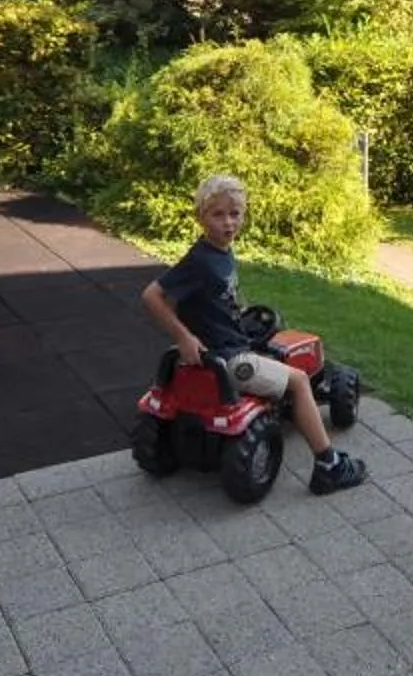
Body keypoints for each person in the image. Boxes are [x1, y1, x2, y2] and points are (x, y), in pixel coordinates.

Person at [141, 173, 368, 493]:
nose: (228, 223)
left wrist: (238, 312)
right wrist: (183, 336)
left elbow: (221, 298)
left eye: (235, 214)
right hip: (231, 360)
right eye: (218, 214)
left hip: (227, 345)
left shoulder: (219, 253)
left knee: (271, 350)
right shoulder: (199, 261)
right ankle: (328, 465)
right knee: (300, 381)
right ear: (201, 217)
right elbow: (151, 295)